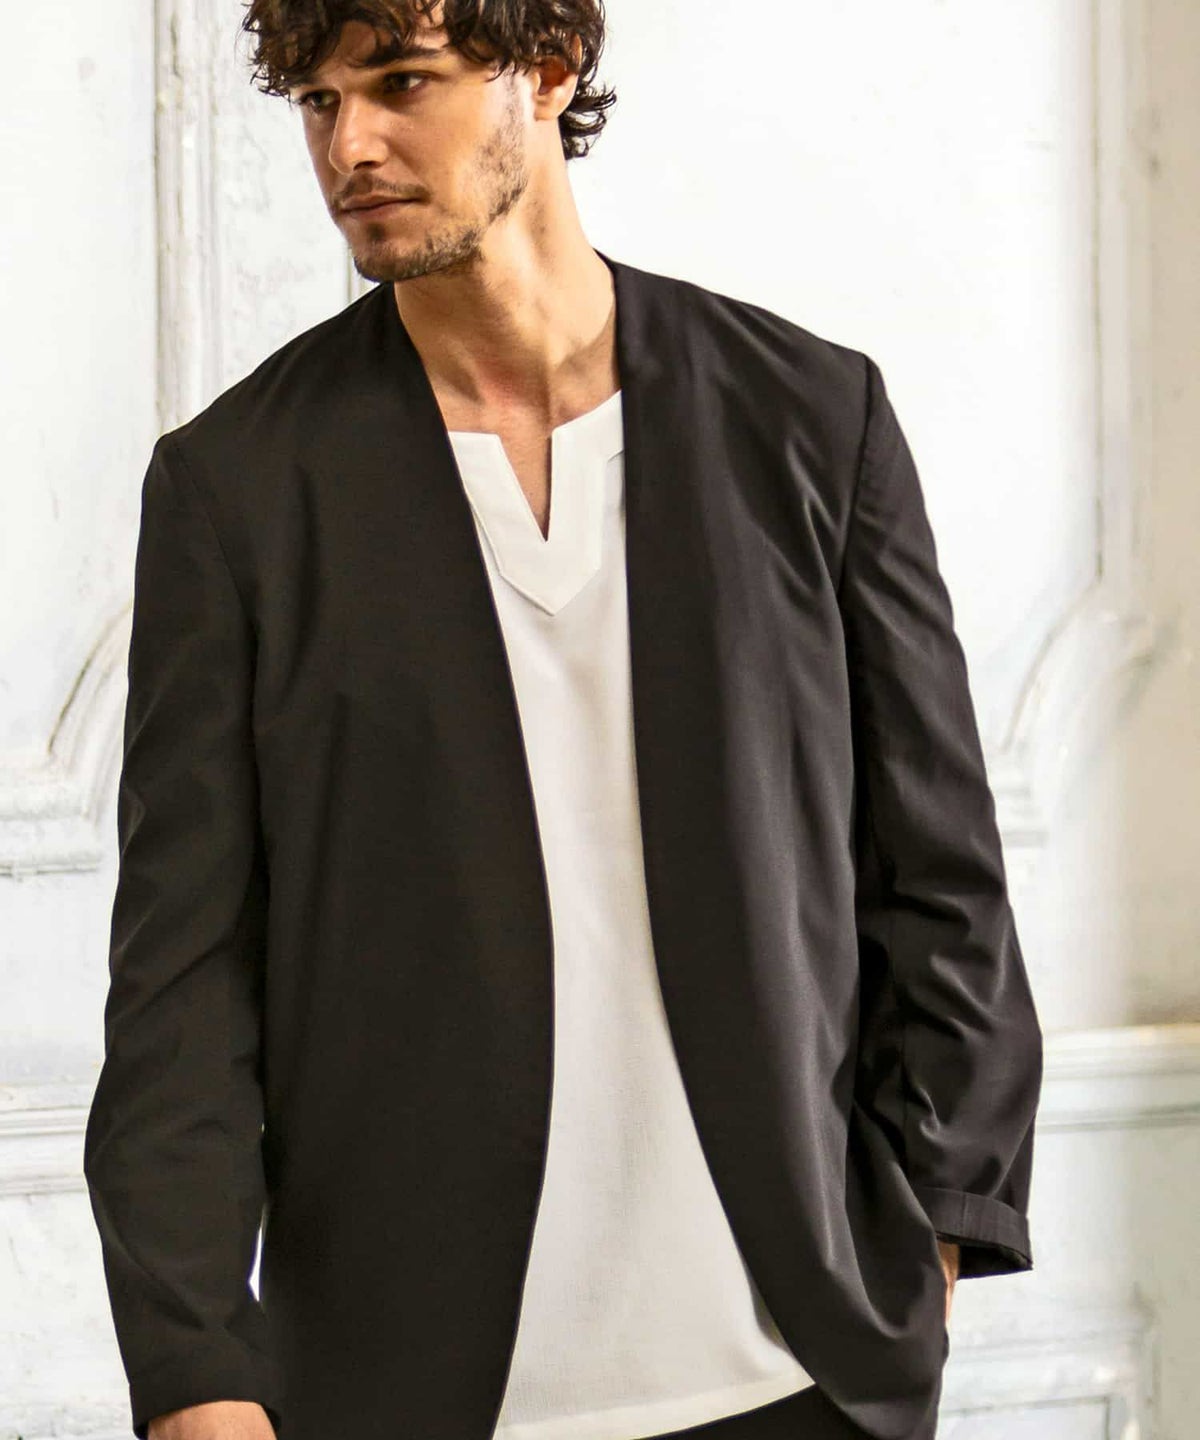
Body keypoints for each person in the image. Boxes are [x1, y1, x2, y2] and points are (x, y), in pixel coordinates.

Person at [82, 4, 1044, 1440]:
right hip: (418, 1384)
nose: (350, 146)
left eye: (402, 82)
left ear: (546, 68)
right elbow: (184, 977)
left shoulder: (807, 417)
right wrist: (196, 1368)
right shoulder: (240, 488)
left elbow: (939, 865)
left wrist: (935, 1232)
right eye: (320, 102)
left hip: (802, 1367)